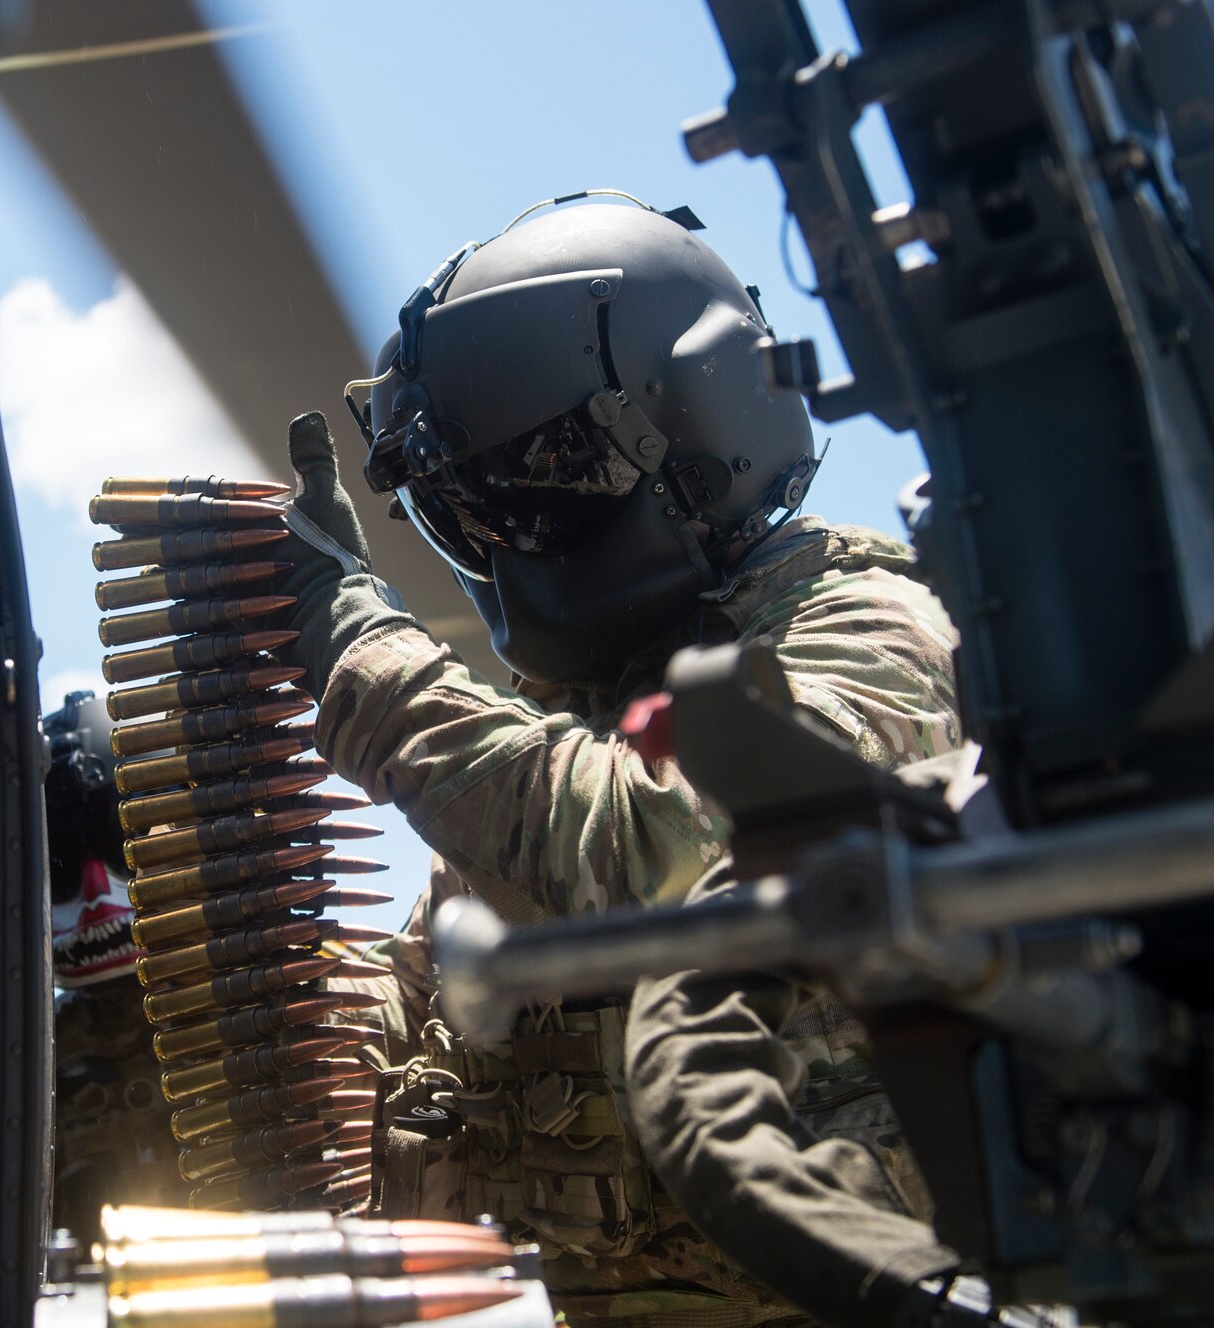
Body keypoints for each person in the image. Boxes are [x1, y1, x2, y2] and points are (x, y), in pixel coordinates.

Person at [270, 193, 991, 1326]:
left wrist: (365, 658)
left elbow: (663, 852)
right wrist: (291, 1018)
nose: (498, 540)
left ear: (690, 433)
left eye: (530, 486)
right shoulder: (571, 711)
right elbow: (439, 981)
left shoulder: (873, 629)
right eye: (460, 511)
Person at [44, 690, 185, 1238]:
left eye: (119, 837)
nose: (96, 893)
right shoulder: (33, 1067)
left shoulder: (290, 1001)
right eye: (60, 855)